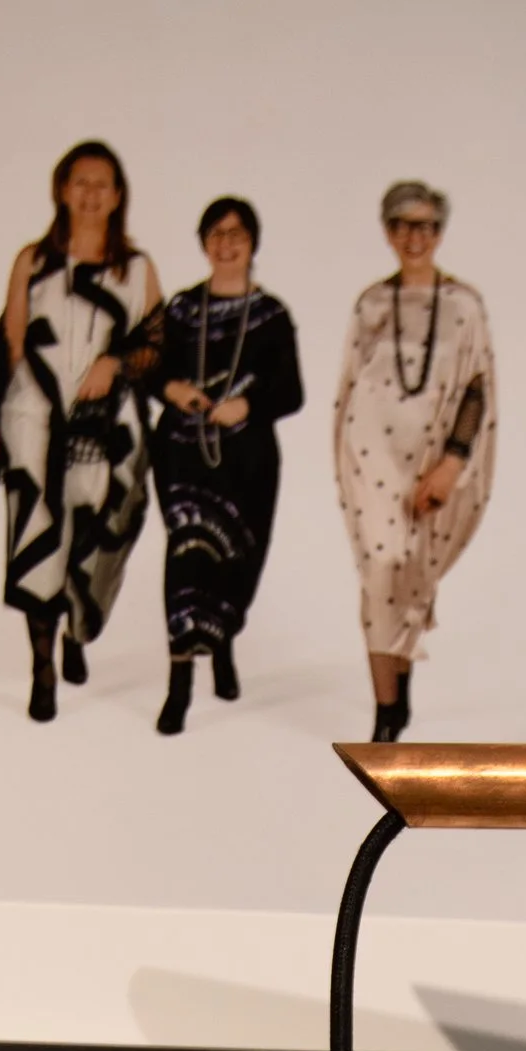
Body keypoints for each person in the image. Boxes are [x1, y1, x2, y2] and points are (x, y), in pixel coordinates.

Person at [0, 141, 163, 721]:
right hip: (33, 410)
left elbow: (157, 343)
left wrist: (115, 364)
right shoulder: (33, 260)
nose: (90, 193)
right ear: (61, 188)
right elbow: (9, 340)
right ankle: (42, 668)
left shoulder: (135, 269)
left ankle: (78, 630)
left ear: (118, 194)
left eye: (102, 183)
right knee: (37, 531)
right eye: (79, 181)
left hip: (106, 422)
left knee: (100, 524)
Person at [332, 178, 495, 742]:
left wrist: (451, 465)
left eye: (424, 226)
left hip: (431, 458)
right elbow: (352, 383)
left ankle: (400, 696)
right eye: (402, 225)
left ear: (440, 232)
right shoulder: (373, 304)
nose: (414, 237)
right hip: (371, 457)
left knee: (409, 573)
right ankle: (384, 713)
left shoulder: (464, 305)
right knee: (379, 573)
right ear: (387, 231)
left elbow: (476, 388)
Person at [148, 196, 304, 735]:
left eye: (237, 233)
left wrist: (248, 406)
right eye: (215, 233)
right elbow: (150, 369)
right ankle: (179, 686)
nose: (226, 242)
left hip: (247, 462)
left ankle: (223, 648)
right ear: (203, 242)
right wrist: (172, 387)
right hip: (183, 453)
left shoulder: (272, 316)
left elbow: (291, 391)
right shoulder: (182, 309)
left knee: (237, 561)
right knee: (188, 555)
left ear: (253, 242)